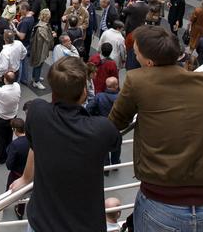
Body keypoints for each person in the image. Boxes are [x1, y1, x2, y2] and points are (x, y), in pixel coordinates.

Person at [109, 25, 203, 232]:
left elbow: (116, 122)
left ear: (149, 62)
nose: (134, 58)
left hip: (162, 203)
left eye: (136, 54)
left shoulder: (137, 80)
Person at [10, 57, 121, 232]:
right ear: (84, 91)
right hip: (84, 224)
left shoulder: (37, 112)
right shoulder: (100, 129)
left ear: (53, 88)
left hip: (41, 222)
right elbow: (114, 142)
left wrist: (26, 178)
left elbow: (34, 145)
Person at [89, 77, 122, 170]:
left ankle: (106, 166)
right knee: (117, 145)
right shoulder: (122, 97)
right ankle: (116, 164)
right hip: (116, 126)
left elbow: (89, 108)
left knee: (104, 145)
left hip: (102, 125)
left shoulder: (99, 96)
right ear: (116, 85)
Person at [0, 70, 21, 164]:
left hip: (1, 119)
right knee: (9, 136)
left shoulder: (1, 91)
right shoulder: (17, 86)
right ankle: (9, 153)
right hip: (13, 117)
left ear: (5, 79)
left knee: (1, 139)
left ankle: (2, 157)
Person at [29, 9, 54, 90]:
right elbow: (46, 38)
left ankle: (35, 77)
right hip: (40, 49)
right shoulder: (42, 28)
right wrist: (53, 35)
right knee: (39, 64)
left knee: (37, 64)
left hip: (38, 48)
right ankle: (36, 82)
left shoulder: (40, 24)